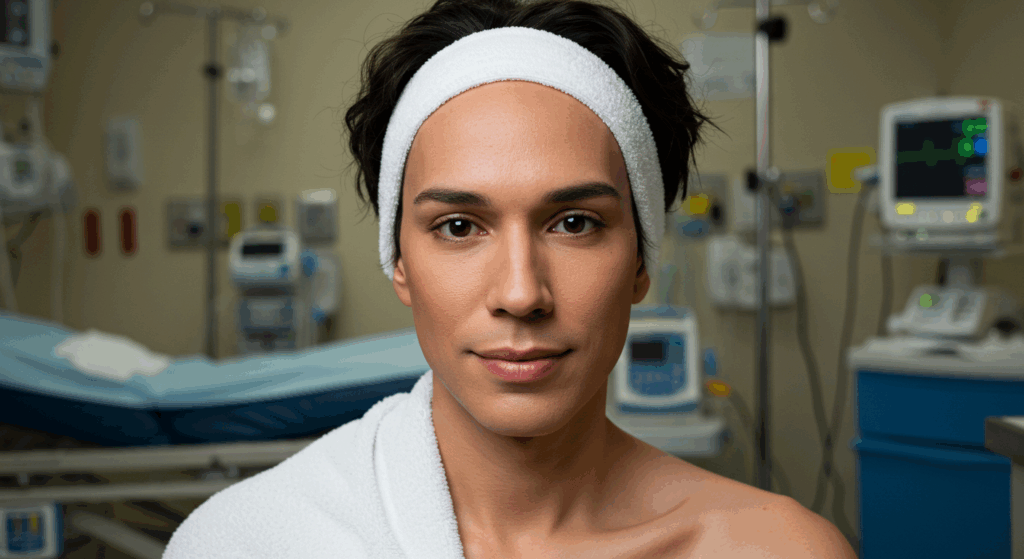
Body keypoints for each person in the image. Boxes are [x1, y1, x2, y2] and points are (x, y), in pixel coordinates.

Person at [164, 1, 858, 557]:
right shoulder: (246, 540)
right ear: (398, 262)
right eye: (460, 227)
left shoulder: (781, 548)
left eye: (575, 222)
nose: (522, 293)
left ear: (642, 259)